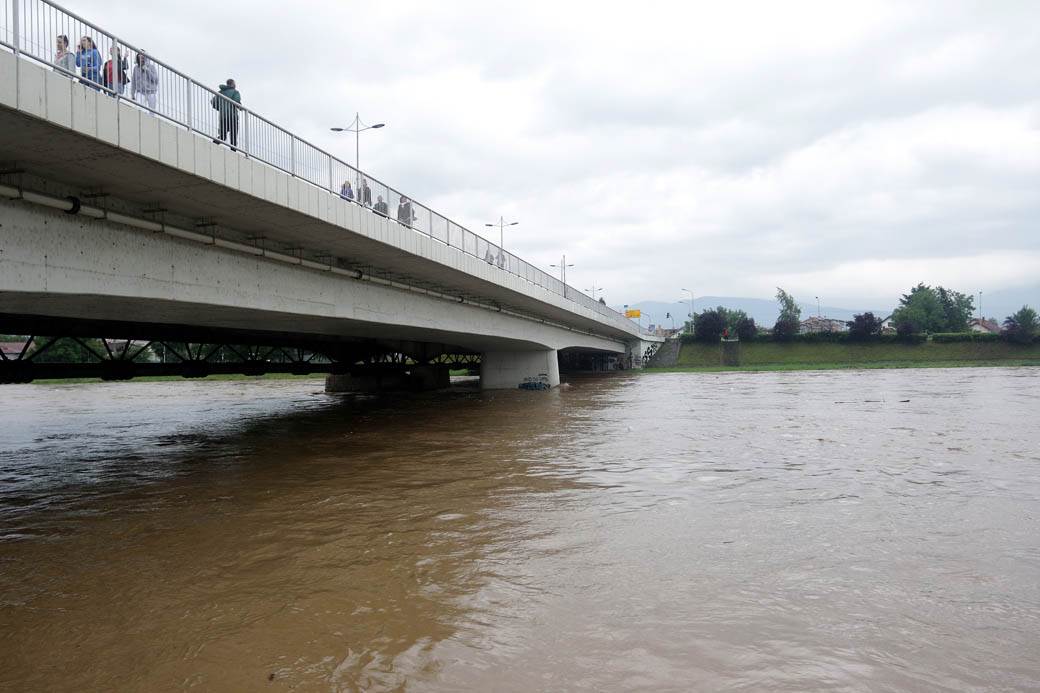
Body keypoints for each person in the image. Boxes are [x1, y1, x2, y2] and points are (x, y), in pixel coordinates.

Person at [211, 79, 241, 151]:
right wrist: (240, 106)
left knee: (222, 136)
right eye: (234, 83)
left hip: (223, 116)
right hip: (232, 116)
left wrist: (221, 108)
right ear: (232, 84)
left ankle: (213, 144)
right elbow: (236, 101)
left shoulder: (220, 92)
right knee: (233, 135)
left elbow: (213, 102)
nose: (235, 85)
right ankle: (233, 152)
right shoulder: (235, 92)